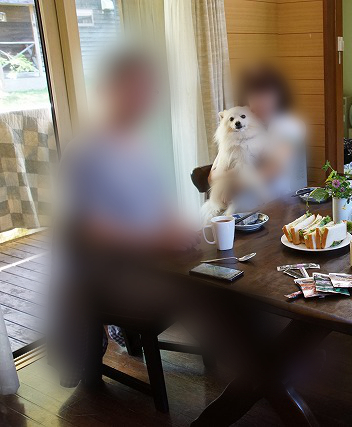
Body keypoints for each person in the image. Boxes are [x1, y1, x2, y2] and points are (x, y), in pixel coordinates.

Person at [49, 50, 200, 387]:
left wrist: (176, 224)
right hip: (108, 275)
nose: (144, 100)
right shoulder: (85, 151)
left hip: (148, 260)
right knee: (201, 289)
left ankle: (261, 361)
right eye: (136, 89)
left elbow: (160, 201)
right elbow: (90, 231)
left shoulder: (138, 144)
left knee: (218, 270)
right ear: (110, 90)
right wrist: (156, 239)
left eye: (150, 91)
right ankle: (260, 367)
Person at [232, 64, 307, 209]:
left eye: (265, 94)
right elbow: (214, 173)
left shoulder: (290, 125)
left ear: (278, 95)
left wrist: (234, 184)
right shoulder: (241, 123)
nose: (259, 100)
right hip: (240, 206)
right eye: (254, 94)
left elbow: (274, 168)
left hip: (276, 203)